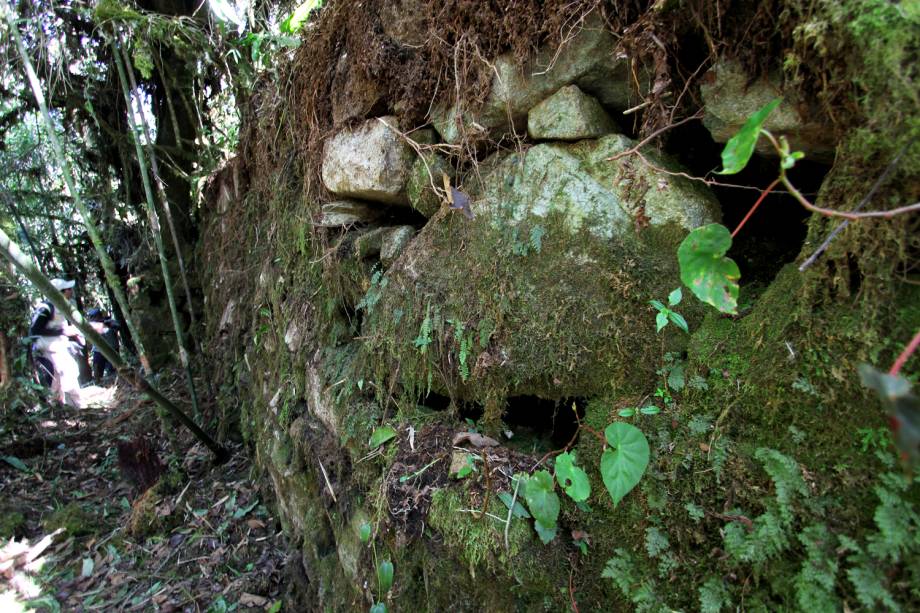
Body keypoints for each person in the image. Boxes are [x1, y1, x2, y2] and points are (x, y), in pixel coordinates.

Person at [29, 278, 84, 406]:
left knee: (59, 378)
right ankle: (77, 406)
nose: (71, 291)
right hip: (47, 349)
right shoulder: (45, 308)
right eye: (68, 289)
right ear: (60, 292)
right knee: (67, 373)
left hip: (57, 347)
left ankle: (62, 407)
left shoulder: (59, 307)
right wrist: (63, 331)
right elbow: (35, 329)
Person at [87, 307, 119, 383]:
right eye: (91, 317)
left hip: (112, 349)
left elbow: (117, 325)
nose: (92, 319)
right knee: (97, 372)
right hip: (98, 350)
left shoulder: (108, 322)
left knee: (113, 371)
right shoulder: (90, 325)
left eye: (94, 317)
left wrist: (106, 323)